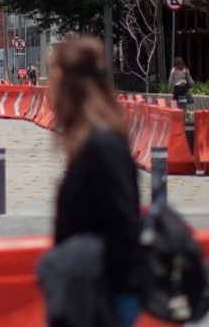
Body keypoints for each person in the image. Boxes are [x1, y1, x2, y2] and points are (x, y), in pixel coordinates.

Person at [49, 36, 143, 327]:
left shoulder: (101, 146)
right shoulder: (91, 143)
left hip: (102, 300)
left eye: (52, 75)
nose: (47, 87)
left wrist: (74, 262)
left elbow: (124, 227)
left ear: (69, 83)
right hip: (90, 295)